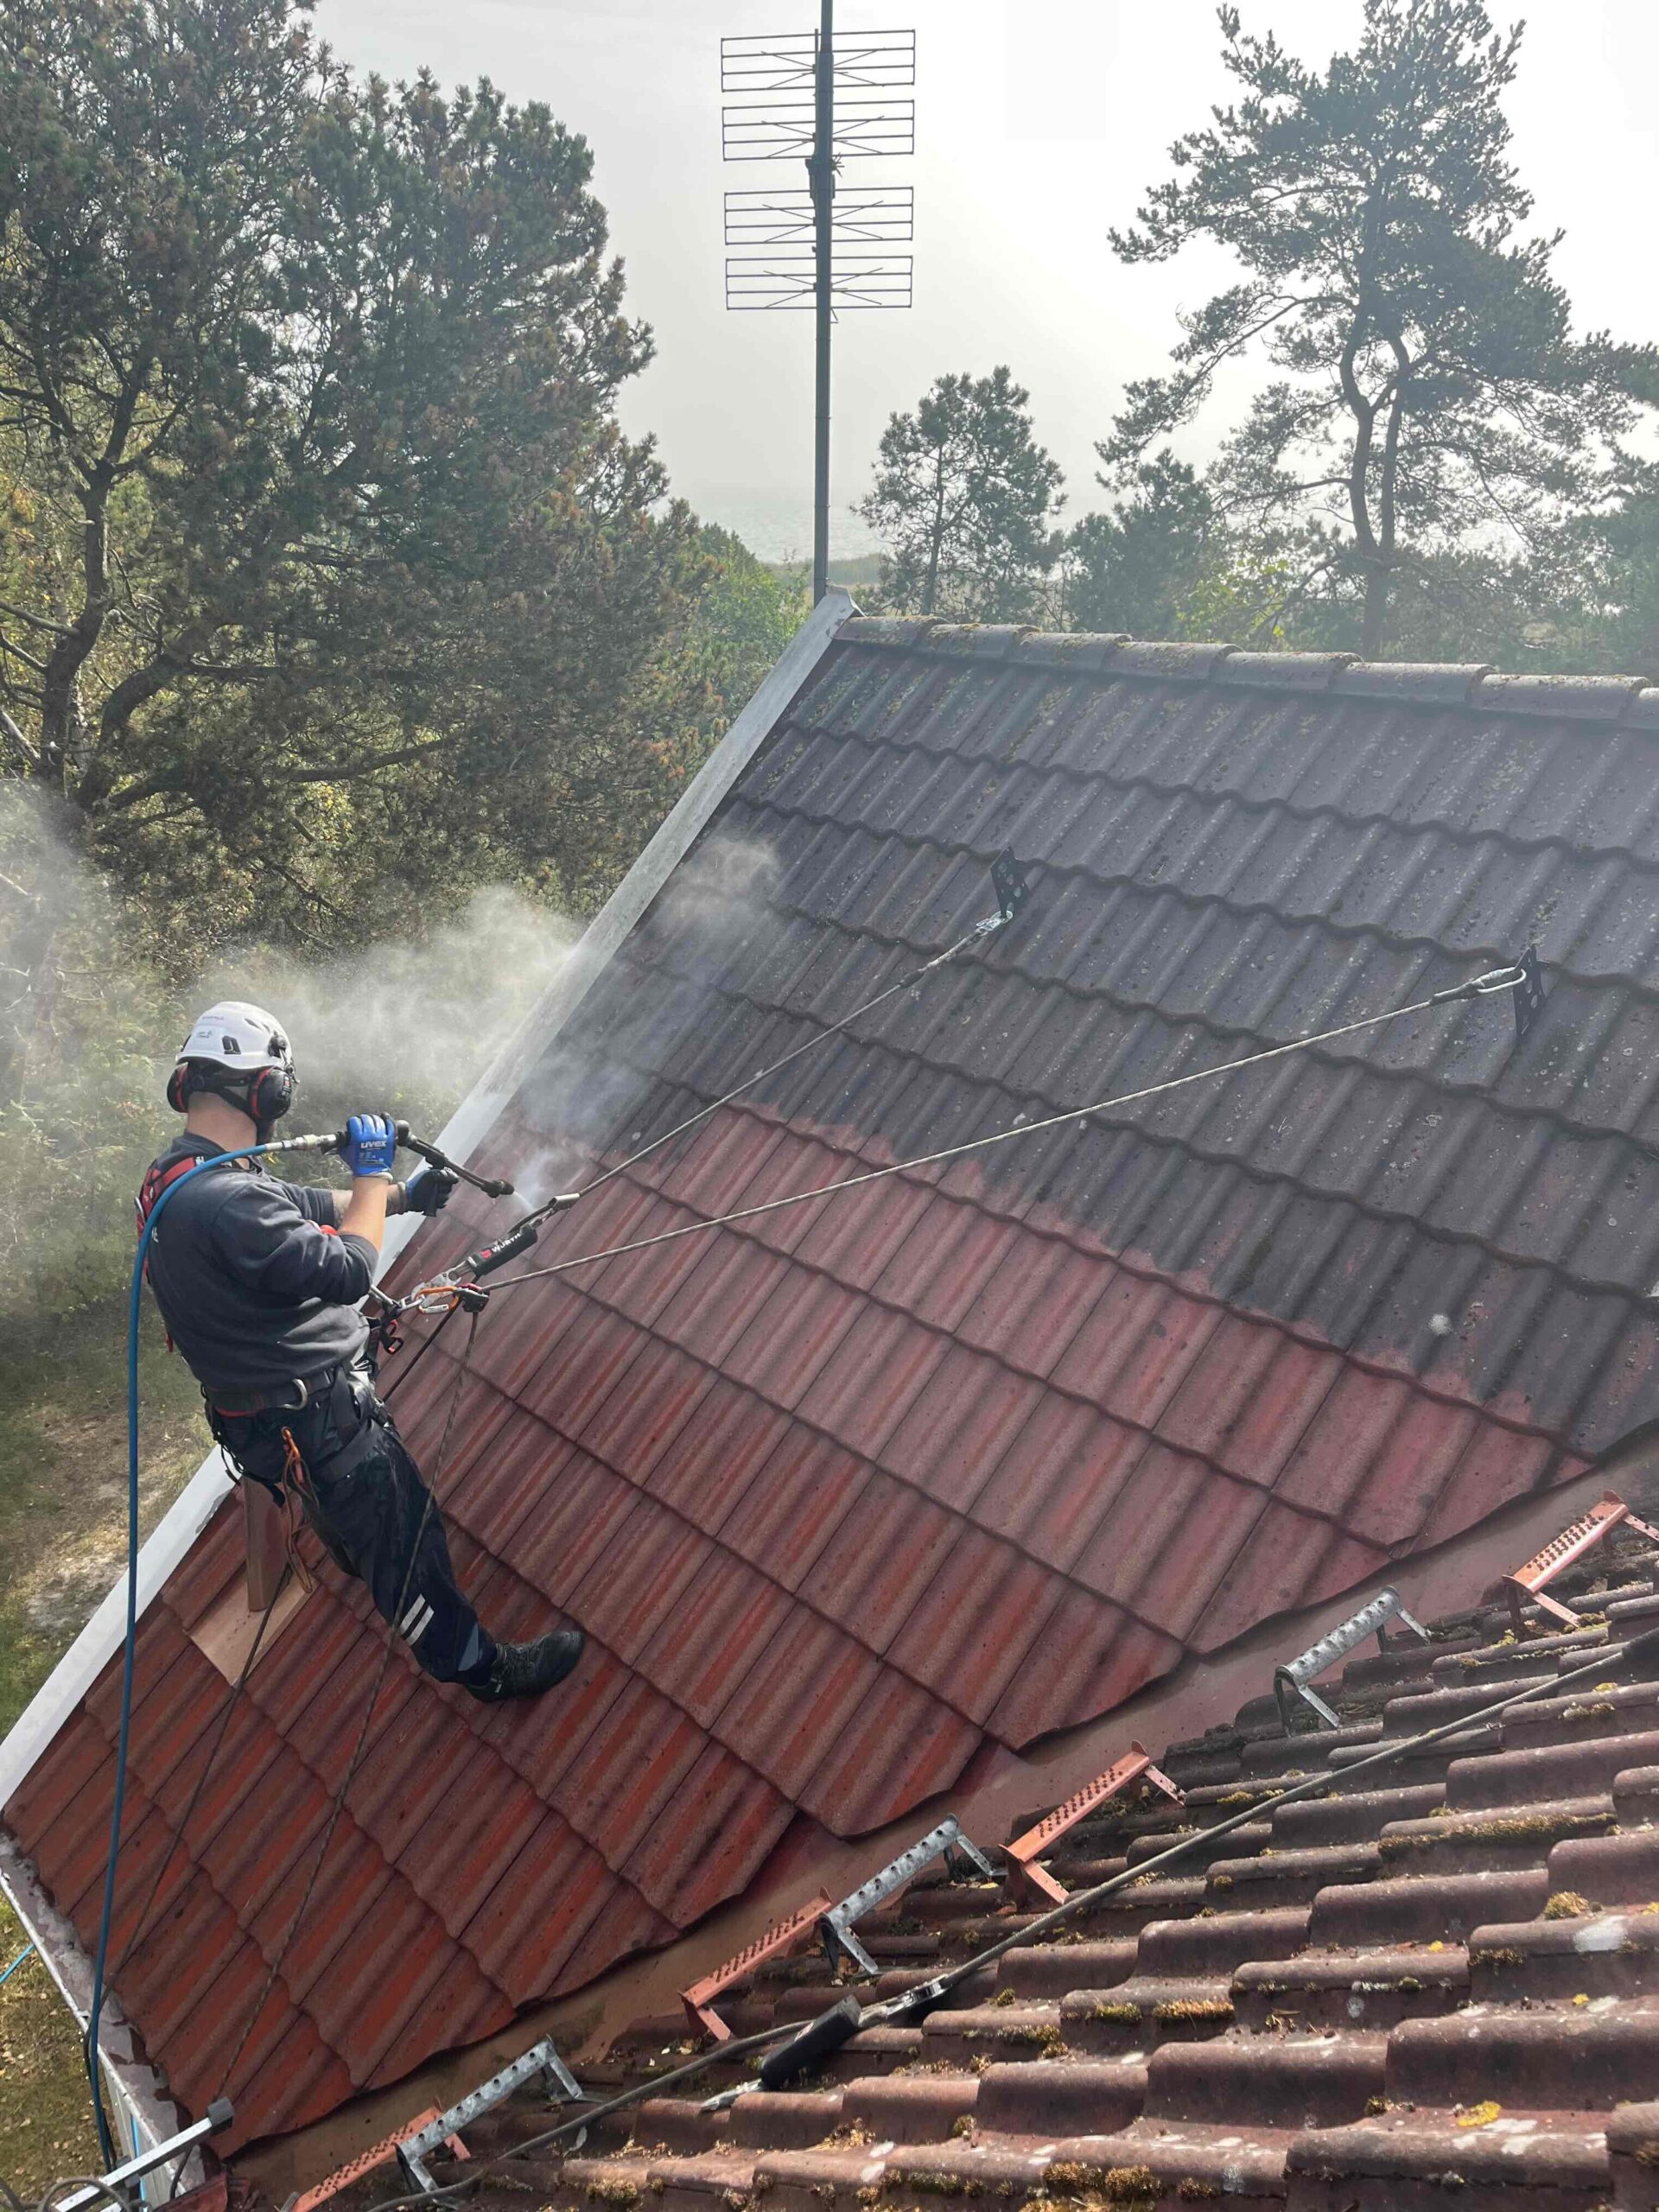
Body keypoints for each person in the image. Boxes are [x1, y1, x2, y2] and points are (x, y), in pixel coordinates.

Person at [137, 999, 583, 1702]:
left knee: (363, 1520)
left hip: (271, 1419)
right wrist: (371, 1177)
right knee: (406, 1541)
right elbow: (349, 1271)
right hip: (320, 1424)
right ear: (268, 1092)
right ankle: (480, 1668)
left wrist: (398, 1195)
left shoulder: (182, 1175)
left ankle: (352, 1538)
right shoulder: (224, 1199)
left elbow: (291, 1204)